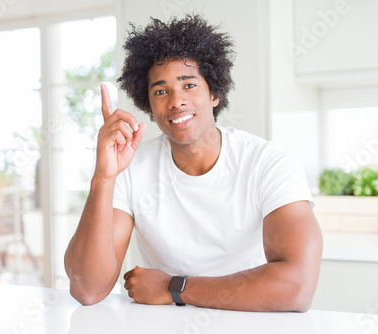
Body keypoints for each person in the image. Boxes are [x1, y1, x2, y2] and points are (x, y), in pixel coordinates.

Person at [64, 14, 323, 312]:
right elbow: (87, 289)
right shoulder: (131, 167)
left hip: (251, 321)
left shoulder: (269, 164)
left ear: (214, 92)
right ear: (148, 105)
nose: (176, 101)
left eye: (189, 85)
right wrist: (104, 177)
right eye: (160, 91)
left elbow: (296, 287)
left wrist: (174, 287)